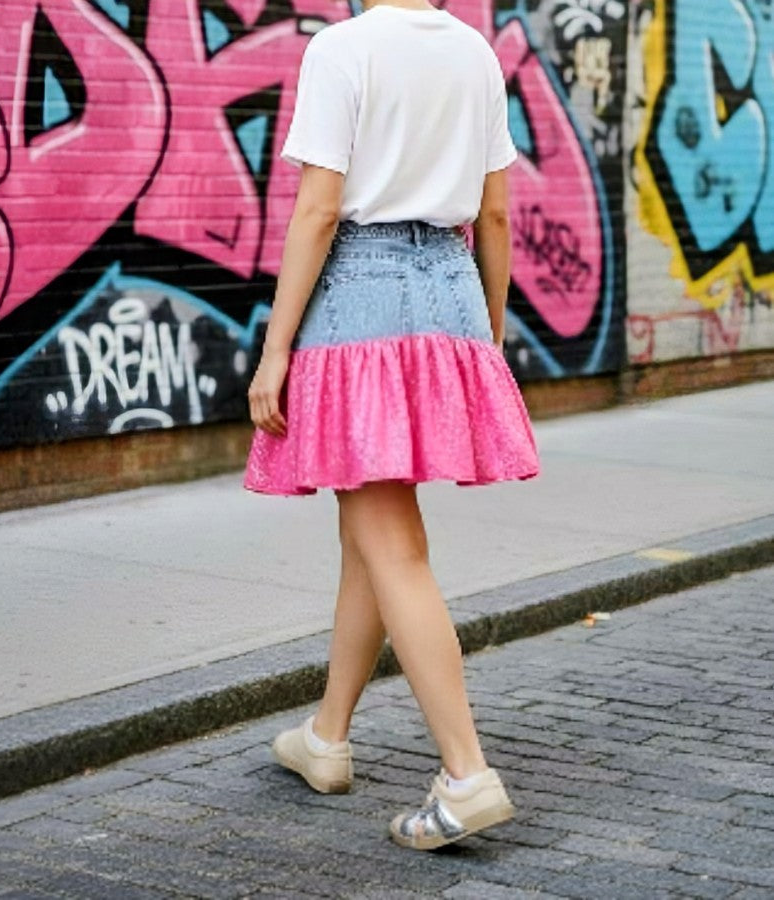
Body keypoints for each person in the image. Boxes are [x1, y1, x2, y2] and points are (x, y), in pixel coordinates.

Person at [243, 0, 540, 851]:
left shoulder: (343, 48)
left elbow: (318, 211)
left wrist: (276, 350)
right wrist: (484, 329)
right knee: (368, 535)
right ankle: (326, 738)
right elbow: (494, 216)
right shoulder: (475, 54)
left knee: (393, 543)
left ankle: (467, 774)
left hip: (361, 300)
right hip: (447, 291)